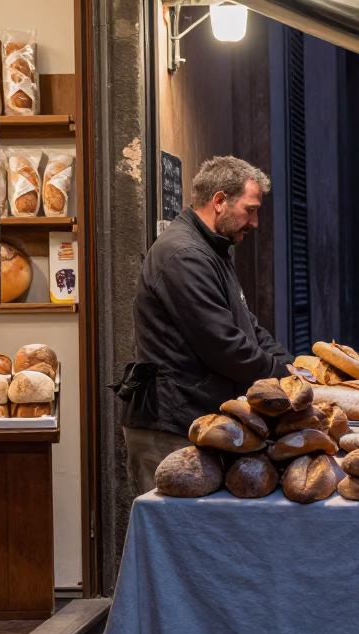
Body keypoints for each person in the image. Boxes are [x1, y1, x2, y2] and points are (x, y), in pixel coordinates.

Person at [115, 156, 294, 494]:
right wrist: (285, 382)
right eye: (251, 209)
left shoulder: (213, 249)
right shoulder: (184, 254)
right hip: (170, 426)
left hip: (194, 420)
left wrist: (289, 366)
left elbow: (249, 327)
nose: (255, 222)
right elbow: (224, 346)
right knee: (171, 538)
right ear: (219, 201)